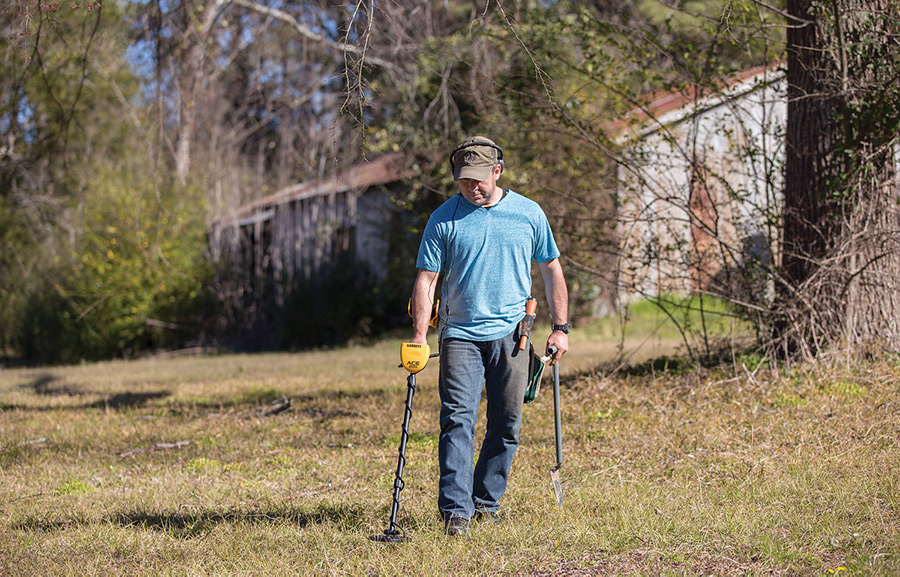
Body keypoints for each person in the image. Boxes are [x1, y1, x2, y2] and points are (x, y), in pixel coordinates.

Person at [409, 135, 570, 537]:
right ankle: (456, 511)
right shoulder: (443, 218)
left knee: (507, 422)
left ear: (497, 171)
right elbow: (426, 281)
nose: (471, 187)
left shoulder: (528, 213)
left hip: (514, 334)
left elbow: (552, 270)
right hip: (459, 334)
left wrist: (561, 328)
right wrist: (418, 336)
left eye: (479, 179)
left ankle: (486, 500)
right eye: (464, 181)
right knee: (457, 420)